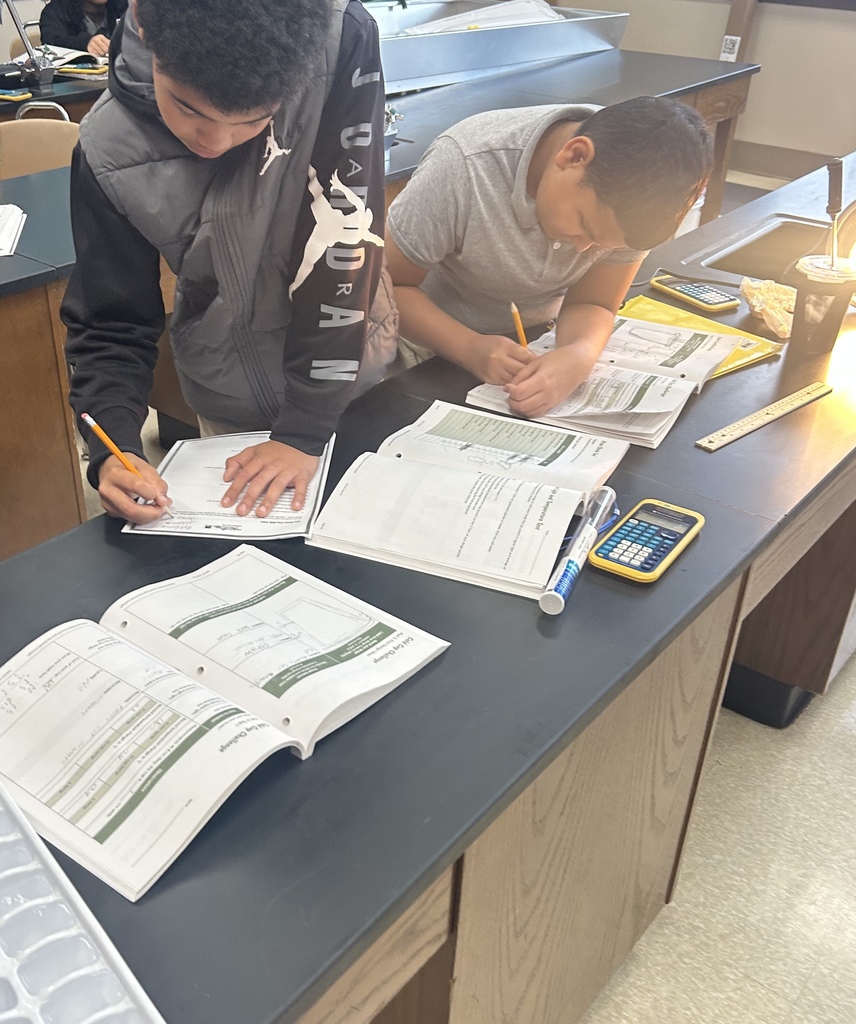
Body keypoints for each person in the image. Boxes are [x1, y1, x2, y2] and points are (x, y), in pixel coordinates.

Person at [64, 0, 391, 523]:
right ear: (144, 23)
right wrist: (114, 446)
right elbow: (111, 320)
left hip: (352, 383)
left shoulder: (341, 38)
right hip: (227, 400)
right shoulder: (106, 149)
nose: (214, 141)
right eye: (189, 107)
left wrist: (304, 430)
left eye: (256, 120)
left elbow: (345, 239)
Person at [385, 96, 713, 419]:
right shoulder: (465, 165)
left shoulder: (644, 195)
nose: (585, 249)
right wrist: (470, 348)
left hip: (537, 342)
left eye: (602, 245)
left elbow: (594, 303)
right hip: (428, 352)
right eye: (584, 225)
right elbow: (386, 287)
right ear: (574, 156)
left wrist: (578, 356)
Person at [40, 0, 128, 57]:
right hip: (74, 82)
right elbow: (51, 43)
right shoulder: (54, 12)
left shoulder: (124, 7)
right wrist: (85, 44)